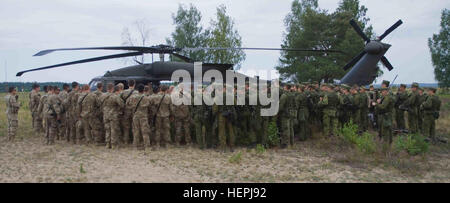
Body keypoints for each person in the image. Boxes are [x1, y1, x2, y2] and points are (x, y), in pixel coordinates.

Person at [129, 84, 152, 151]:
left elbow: (128, 104)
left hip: (135, 115)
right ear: (143, 90)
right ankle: (147, 146)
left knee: (136, 131)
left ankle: (135, 146)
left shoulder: (132, 97)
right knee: (145, 131)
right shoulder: (145, 97)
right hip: (143, 116)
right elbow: (149, 106)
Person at [151, 85, 172, 150]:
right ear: (166, 90)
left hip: (158, 115)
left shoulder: (156, 97)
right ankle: (167, 144)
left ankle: (158, 143)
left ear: (160, 89)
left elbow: (152, 105)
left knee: (158, 129)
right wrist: (172, 114)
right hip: (166, 115)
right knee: (166, 129)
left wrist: (154, 112)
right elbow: (171, 107)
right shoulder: (168, 97)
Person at [104, 85, 124, 149]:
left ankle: (107, 144)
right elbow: (122, 104)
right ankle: (113, 144)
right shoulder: (115, 97)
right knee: (113, 129)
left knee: (107, 129)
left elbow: (99, 103)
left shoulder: (103, 96)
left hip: (105, 114)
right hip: (113, 114)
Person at [121, 80, 138, 145]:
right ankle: (135, 140)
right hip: (134, 110)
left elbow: (120, 100)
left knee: (126, 126)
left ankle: (126, 141)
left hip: (126, 111)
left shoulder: (124, 92)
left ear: (128, 84)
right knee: (135, 126)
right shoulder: (137, 92)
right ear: (134, 84)